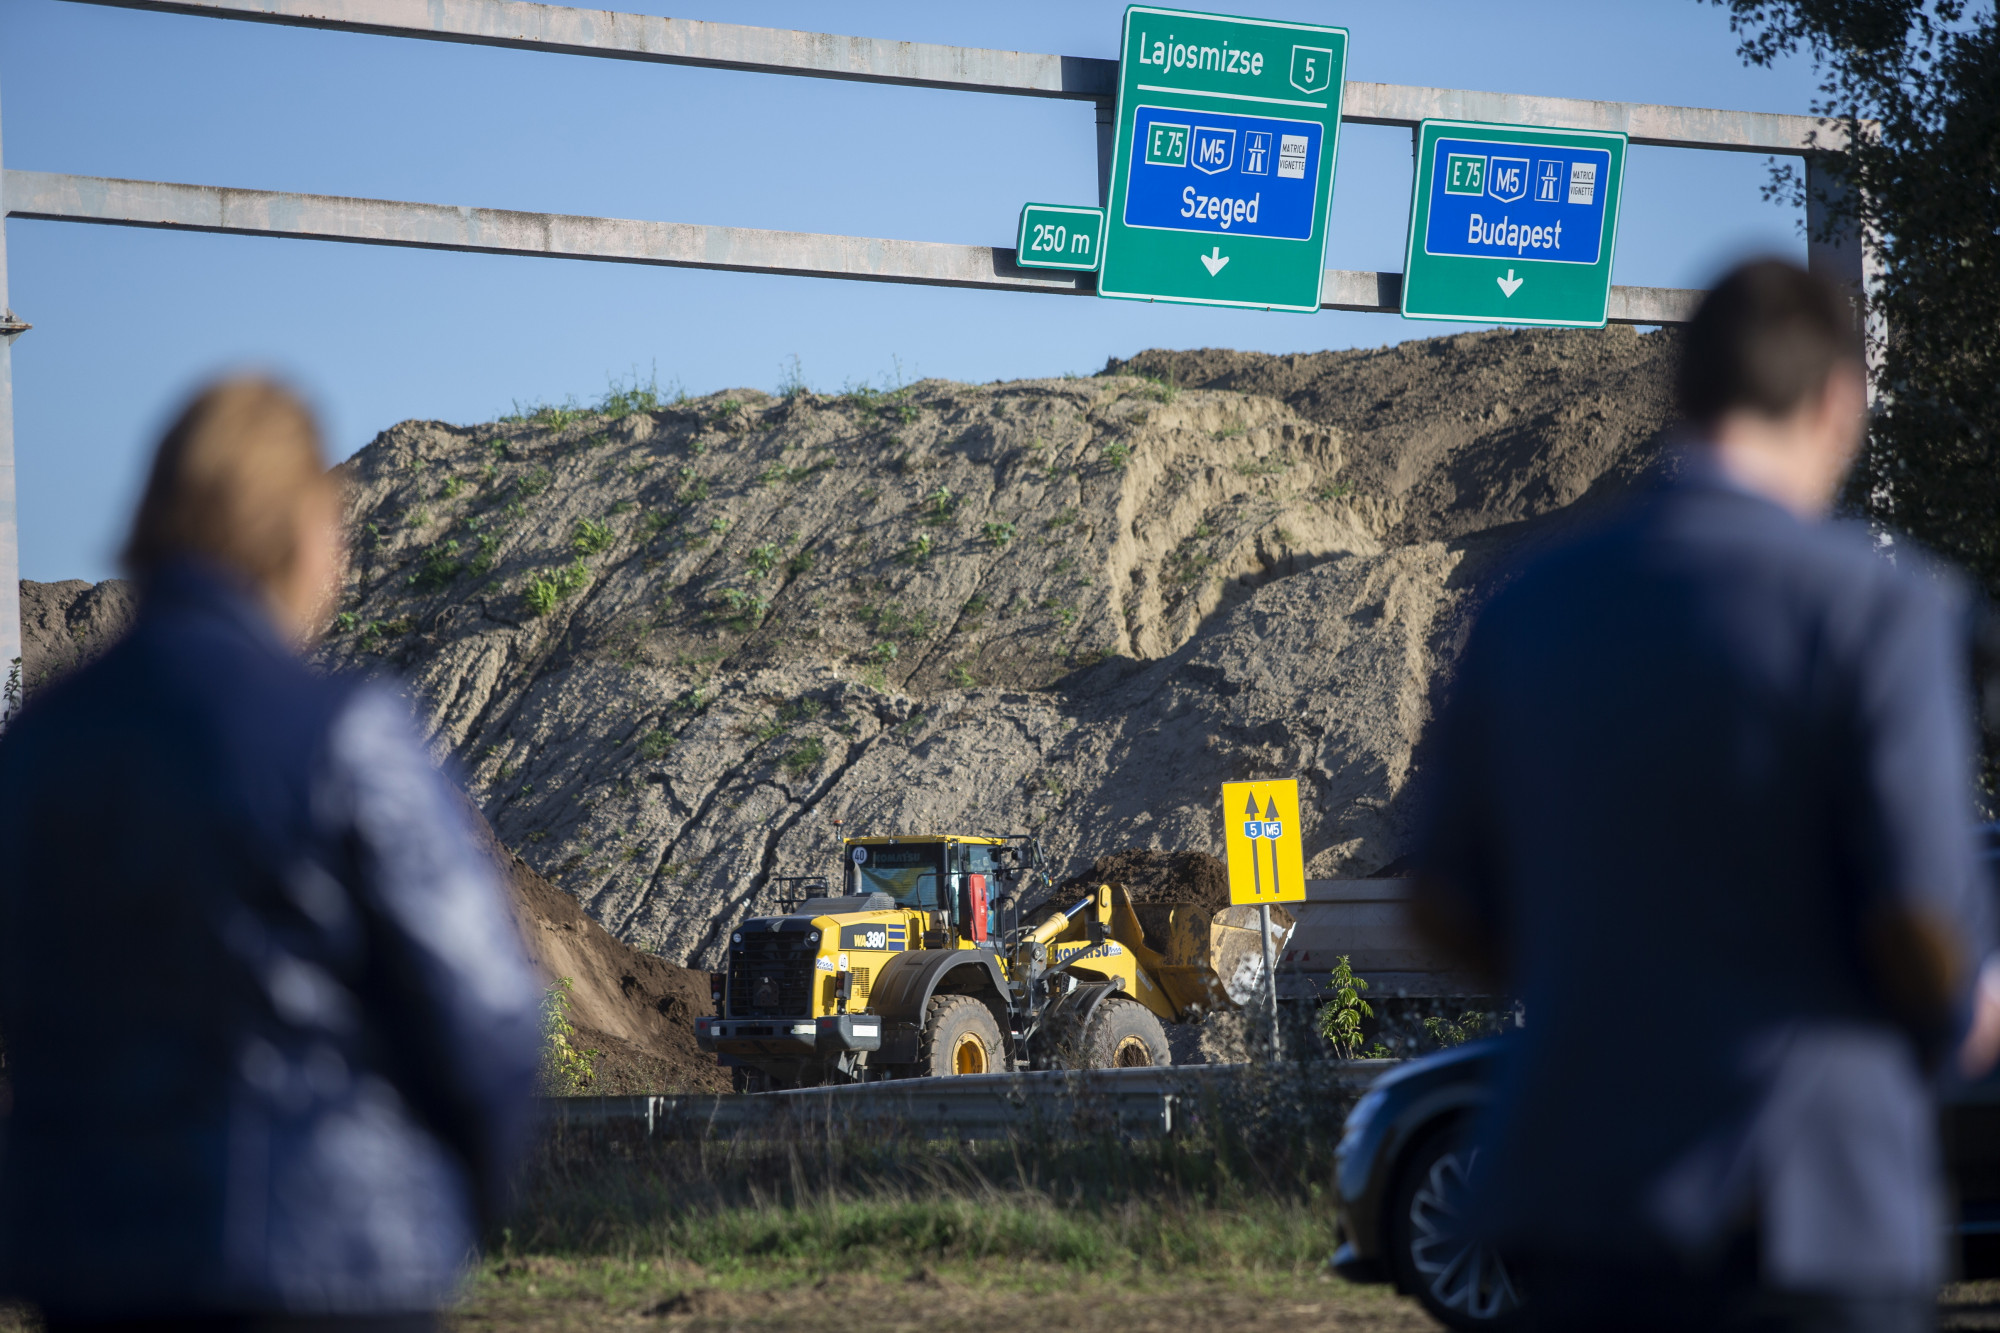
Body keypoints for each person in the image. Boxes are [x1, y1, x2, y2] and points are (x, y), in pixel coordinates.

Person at [1414, 258, 2000, 1332]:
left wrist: (1598, 986)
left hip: (1573, 1199)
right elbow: (1918, 914)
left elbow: (1439, 901)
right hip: (1811, 1210)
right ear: (1836, 403)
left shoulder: (1525, 612)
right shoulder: (1880, 610)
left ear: (1678, 397)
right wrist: (1962, 1007)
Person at [0, 378, 544, 1331]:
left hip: (92, 1268)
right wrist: (452, 1199)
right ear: (295, 535)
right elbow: (488, 1018)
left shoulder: (38, 746)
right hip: (331, 1261)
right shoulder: (345, 735)